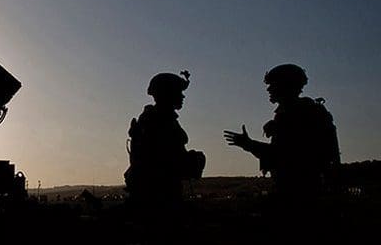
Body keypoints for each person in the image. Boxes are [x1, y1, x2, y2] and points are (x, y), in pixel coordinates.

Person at [224, 64, 340, 198]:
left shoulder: (299, 115)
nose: (269, 89)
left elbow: (284, 156)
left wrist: (249, 144)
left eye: (273, 85)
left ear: (285, 86)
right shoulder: (299, 112)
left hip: (300, 192)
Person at [124, 70, 206, 207]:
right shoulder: (157, 121)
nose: (182, 96)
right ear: (167, 94)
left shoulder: (160, 118)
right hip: (158, 198)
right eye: (178, 92)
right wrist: (194, 160)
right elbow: (164, 161)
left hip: (162, 194)